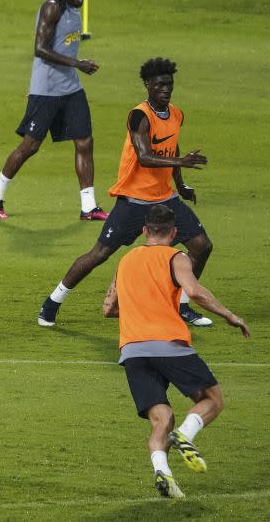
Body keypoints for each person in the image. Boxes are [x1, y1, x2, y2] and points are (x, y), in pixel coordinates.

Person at [38, 57, 214, 327]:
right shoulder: (139, 115)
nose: (166, 89)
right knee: (99, 254)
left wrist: (180, 184)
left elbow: (172, 146)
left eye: (169, 84)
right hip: (134, 202)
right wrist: (180, 163)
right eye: (160, 85)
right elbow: (144, 156)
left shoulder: (176, 114)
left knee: (202, 246)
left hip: (166, 200)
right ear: (147, 85)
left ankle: (182, 305)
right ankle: (52, 303)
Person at [101, 204, 249, 498]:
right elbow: (193, 291)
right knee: (212, 400)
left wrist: (140, 310)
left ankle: (163, 473)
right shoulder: (176, 256)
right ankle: (186, 434)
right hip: (168, 345)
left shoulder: (125, 261)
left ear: (145, 231)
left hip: (132, 351)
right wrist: (230, 315)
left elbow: (108, 309)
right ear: (174, 233)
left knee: (161, 419)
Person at [0, 0, 107, 221]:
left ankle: (88, 207)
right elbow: (40, 48)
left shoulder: (74, 9)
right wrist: (78, 64)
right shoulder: (52, 8)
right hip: (47, 90)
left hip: (70, 88)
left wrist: (75, 66)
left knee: (84, 141)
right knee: (30, 146)